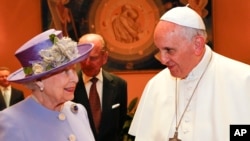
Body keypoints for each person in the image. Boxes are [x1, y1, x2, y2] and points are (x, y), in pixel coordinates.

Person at [128, 5, 250, 141]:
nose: (162, 60)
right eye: (159, 50)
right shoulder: (155, 85)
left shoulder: (243, 80)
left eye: (169, 50)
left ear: (197, 44)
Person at [0, 29, 95, 141]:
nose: (75, 79)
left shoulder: (78, 111)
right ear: (39, 80)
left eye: (74, 70)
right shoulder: (11, 121)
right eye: (64, 71)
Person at [73, 33, 127, 141]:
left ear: (104, 57)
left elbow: (120, 123)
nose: (87, 63)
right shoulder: (70, 86)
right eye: (83, 57)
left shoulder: (119, 85)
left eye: (93, 58)